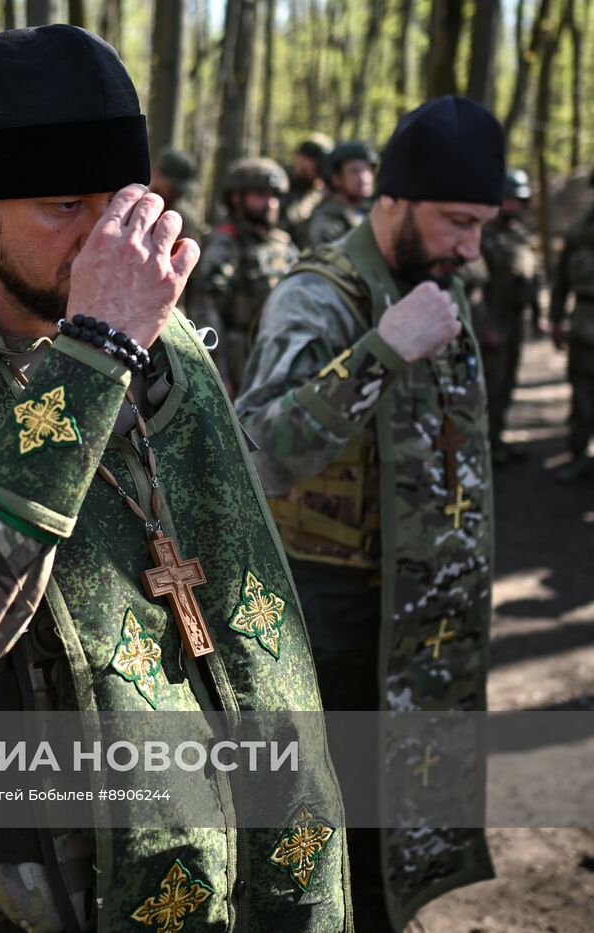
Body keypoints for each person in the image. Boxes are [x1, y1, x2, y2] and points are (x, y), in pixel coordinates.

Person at [0, 25, 351, 931]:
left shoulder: (162, 346)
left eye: (118, 205)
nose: (101, 243)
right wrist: (95, 351)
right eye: (63, 206)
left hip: (193, 850)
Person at [236, 95, 504, 931]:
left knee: (394, 823)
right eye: (458, 220)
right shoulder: (318, 297)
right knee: (324, 832)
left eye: (483, 224)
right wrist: (381, 351)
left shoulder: (433, 280)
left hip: (413, 611)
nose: (472, 245)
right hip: (333, 612)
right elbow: (263, 446)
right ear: (393, 197)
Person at [190, 156, 298, 394]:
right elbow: (207, 311)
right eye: (260, 194)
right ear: (236, 199)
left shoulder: (282, 243)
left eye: (274, 195)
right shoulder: (225, 244)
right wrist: (217, 372)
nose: (270, 203)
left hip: (281, 357)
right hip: (242, 366)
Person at [473, 168, 542, 465]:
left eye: (518, 200)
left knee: (507, 382)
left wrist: (538, 317)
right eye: (508, 199)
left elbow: (533, 277)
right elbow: (475, 286)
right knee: (489, 386)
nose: (513, 206)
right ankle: (482, 447)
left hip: (515, 321)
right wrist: (485, 325)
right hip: (492, 320)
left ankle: (496, 438)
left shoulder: (520, 235)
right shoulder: (479, 235)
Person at [550, 171, 594, 482]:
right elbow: (561, 279)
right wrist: (554, 318)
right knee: (581, 394)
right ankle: (580, 456)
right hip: (584, 324)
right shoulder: (579, 230)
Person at [304, 140, 377, 249]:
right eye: (354, 171)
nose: (364, 178)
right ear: (336, 178)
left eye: (367, 169)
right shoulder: (326, 219)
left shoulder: (375, 210)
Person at [283, 132, 333, 243]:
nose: (317, 172)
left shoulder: (319, 192)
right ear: (301, 158)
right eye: (316, 165)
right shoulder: (281, 184)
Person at [149, 146, 204, 241]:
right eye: (174, 189)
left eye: (182, 191)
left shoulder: (184, 217)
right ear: (157, 175)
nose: (178, 195)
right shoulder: (138, 206)